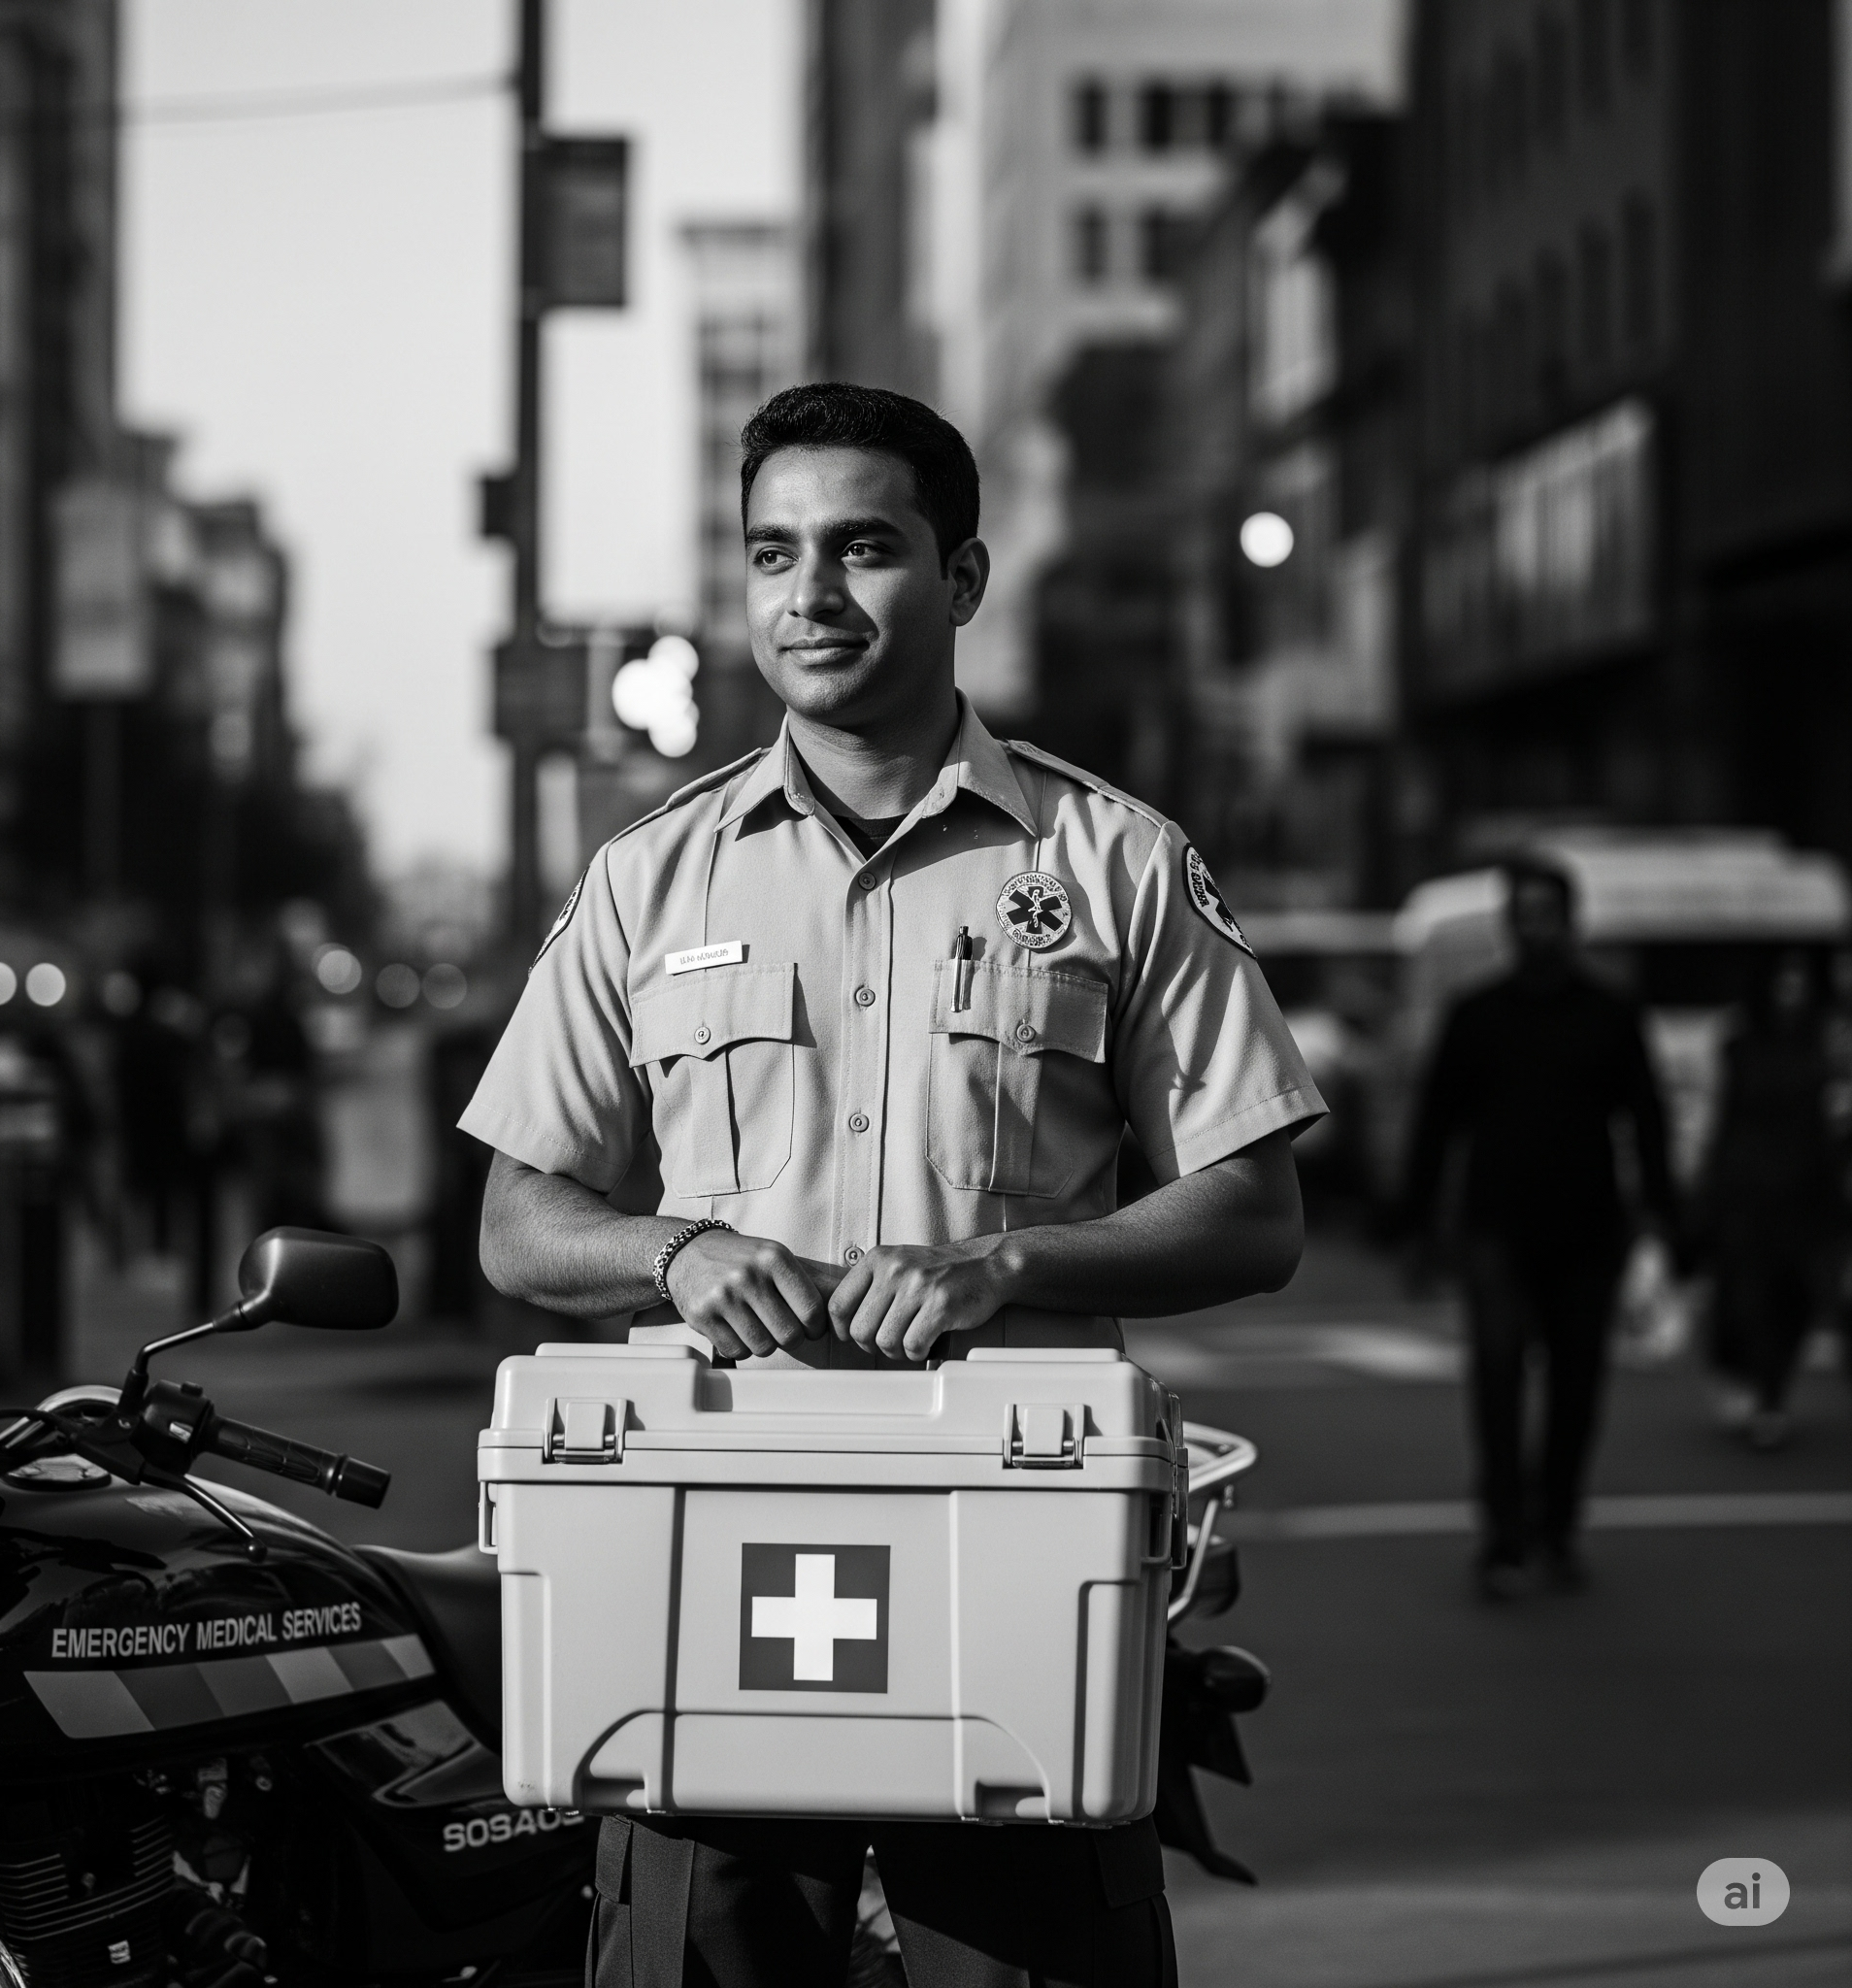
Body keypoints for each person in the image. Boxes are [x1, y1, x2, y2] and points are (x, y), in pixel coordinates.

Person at [461, 382, 1323, 1987]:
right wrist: (677, 1250)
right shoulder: (651, 875)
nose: (809, 594)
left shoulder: (1112, 863)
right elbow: (521, 1219)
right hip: (696, 1561)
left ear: (962, 579)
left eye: (863, 547)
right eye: (772, 552)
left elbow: (1253, 1209)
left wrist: (1007, 1267)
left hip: (1013, 1548)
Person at [1403, 860, 1676, 1600]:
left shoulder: (1610, 1012)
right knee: (1495, 1375)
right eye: (1523, 913)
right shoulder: (1478, 1012)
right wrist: (1415, 1219)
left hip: (1588, 1226)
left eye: (1547, 912)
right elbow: (1437, 1121)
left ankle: (1556, 1526)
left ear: (1571, 920)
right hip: (1497, 1224)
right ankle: (1503, 1534)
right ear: (1509, 924)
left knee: (1578, 1384)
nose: (1535, 926)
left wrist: (1665, 1214)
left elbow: (1647, 1118)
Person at [1698, 948, 1835, 1450]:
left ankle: (1770, 1387)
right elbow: (1727, 1117)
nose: (1791, 990)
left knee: (1793, 1294)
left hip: (1803, 1188)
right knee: (1749, 1291)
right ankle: (1760, 1389)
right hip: (1751, 1187)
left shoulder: (1821, 1043)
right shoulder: (1743, 1044)